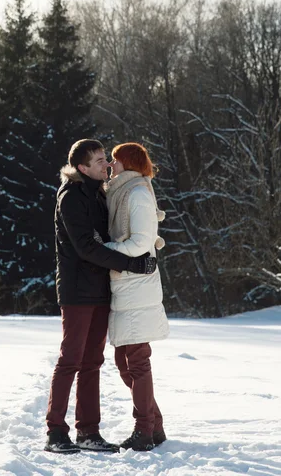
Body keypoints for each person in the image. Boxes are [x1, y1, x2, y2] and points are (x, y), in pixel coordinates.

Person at [44, 139, 158, 454]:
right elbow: (88, 248)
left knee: (93, 362)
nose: (106, 164)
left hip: (100, 290)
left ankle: (88, 432)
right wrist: (132, 263)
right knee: (71, 360)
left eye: (106, 158)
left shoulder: (98, 194)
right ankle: (56, 432)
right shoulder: (71, 197)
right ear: (82, 168)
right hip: (77, 291)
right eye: (98, 160)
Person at [104, 142, 169, 452]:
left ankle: (144, 429)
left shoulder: (138, 195)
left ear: (127, 163)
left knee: (137, 361)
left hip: (136, 284)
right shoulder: (124, 191)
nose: (110, 166)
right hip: (126, 284)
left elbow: (141, 242)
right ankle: (154, 426)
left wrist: (106, 252)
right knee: (125, 360)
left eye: (114, 161)